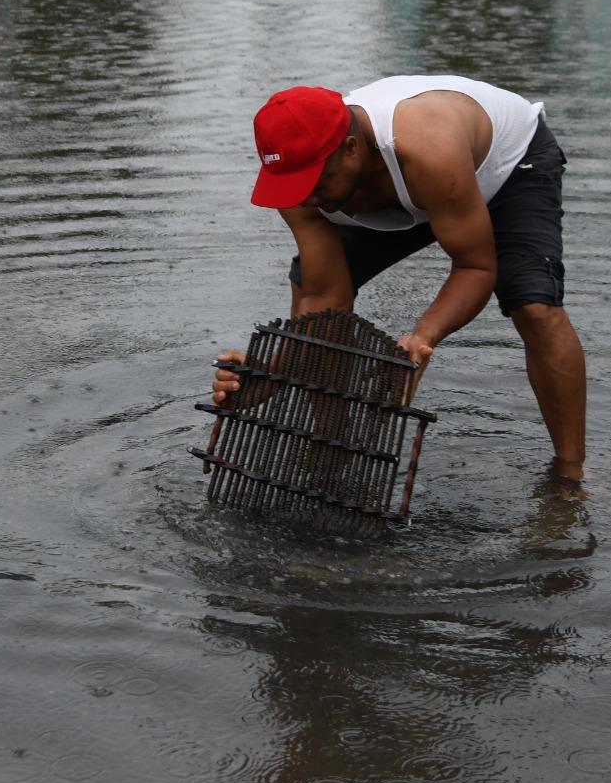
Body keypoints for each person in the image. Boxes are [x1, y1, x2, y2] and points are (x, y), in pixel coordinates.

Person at [215, 75, 587, 482]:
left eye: (314, 185)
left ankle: (570, 477)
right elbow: (325, 295)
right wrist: (274, 374)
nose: (307, 200)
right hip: (416, 189)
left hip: (503, 165)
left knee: (533, 304)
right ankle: (334, 455)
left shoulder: (428, 149)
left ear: (351, 149)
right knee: (309, 292)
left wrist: (422, 338)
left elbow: (476, 266)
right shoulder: (298, 180)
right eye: (294, 188)